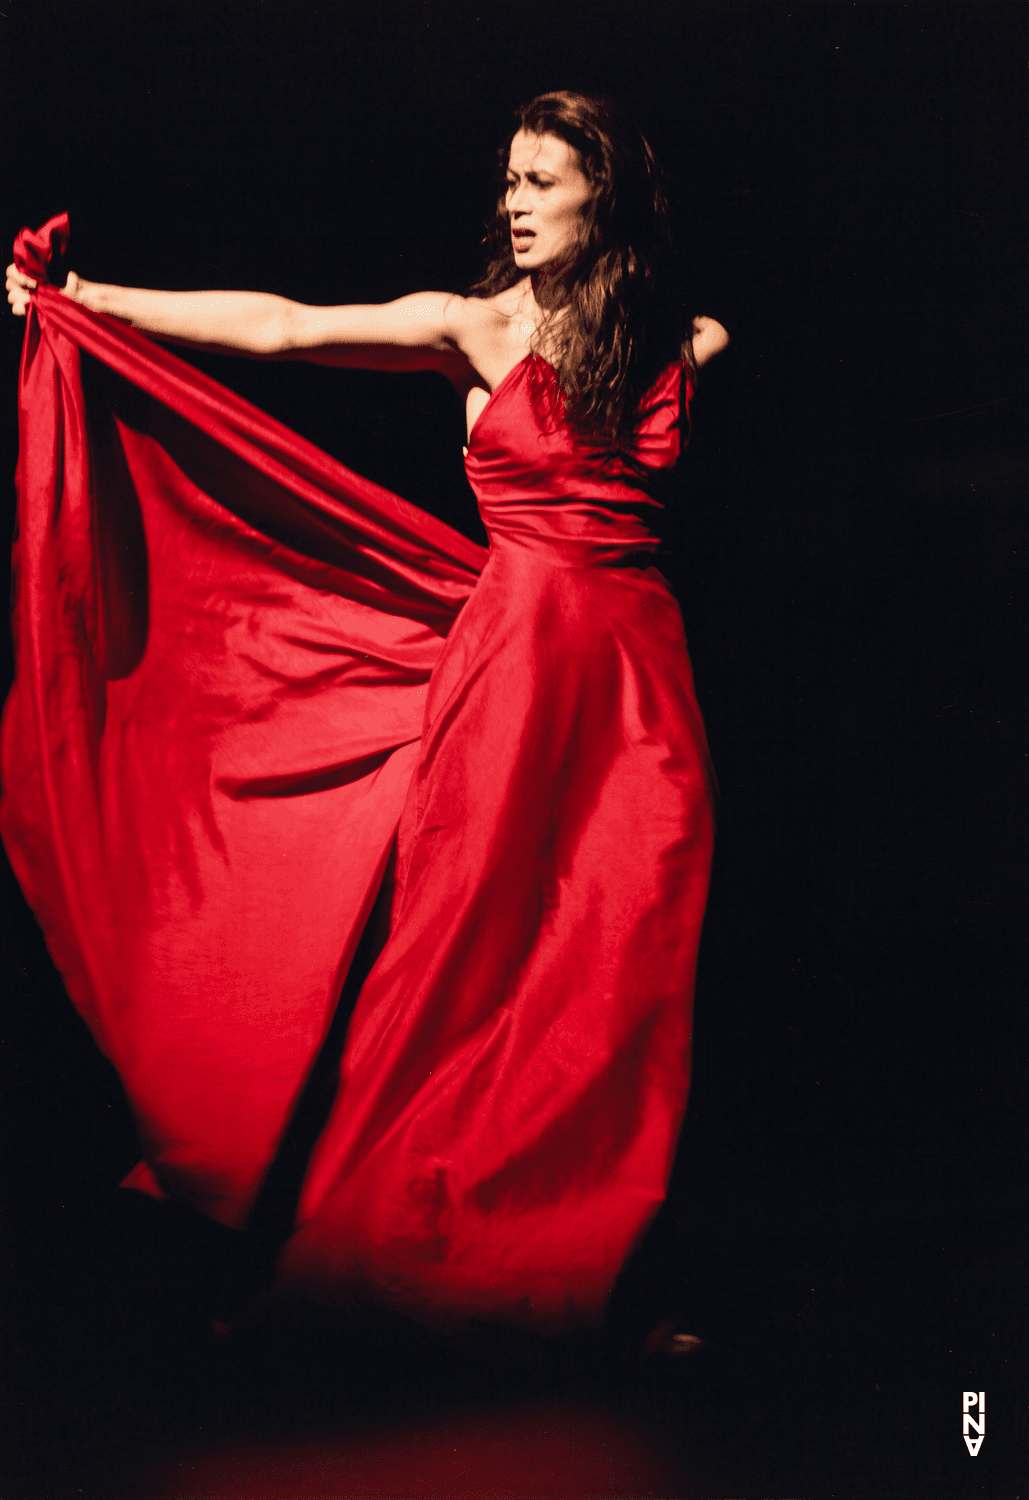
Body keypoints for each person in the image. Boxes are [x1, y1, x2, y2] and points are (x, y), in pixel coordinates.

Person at [5, 91, 728, 1347]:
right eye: (507, 177)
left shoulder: (689, 341)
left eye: (539, 180)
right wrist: (96, 302)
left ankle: (588, 1269)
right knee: (466, 966)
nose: (511, 198)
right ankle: (391, 1261)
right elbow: (286, 330)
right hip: (514, 673)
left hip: (640, 681)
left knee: (619, 968)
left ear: (601, 195)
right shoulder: (475, 326)